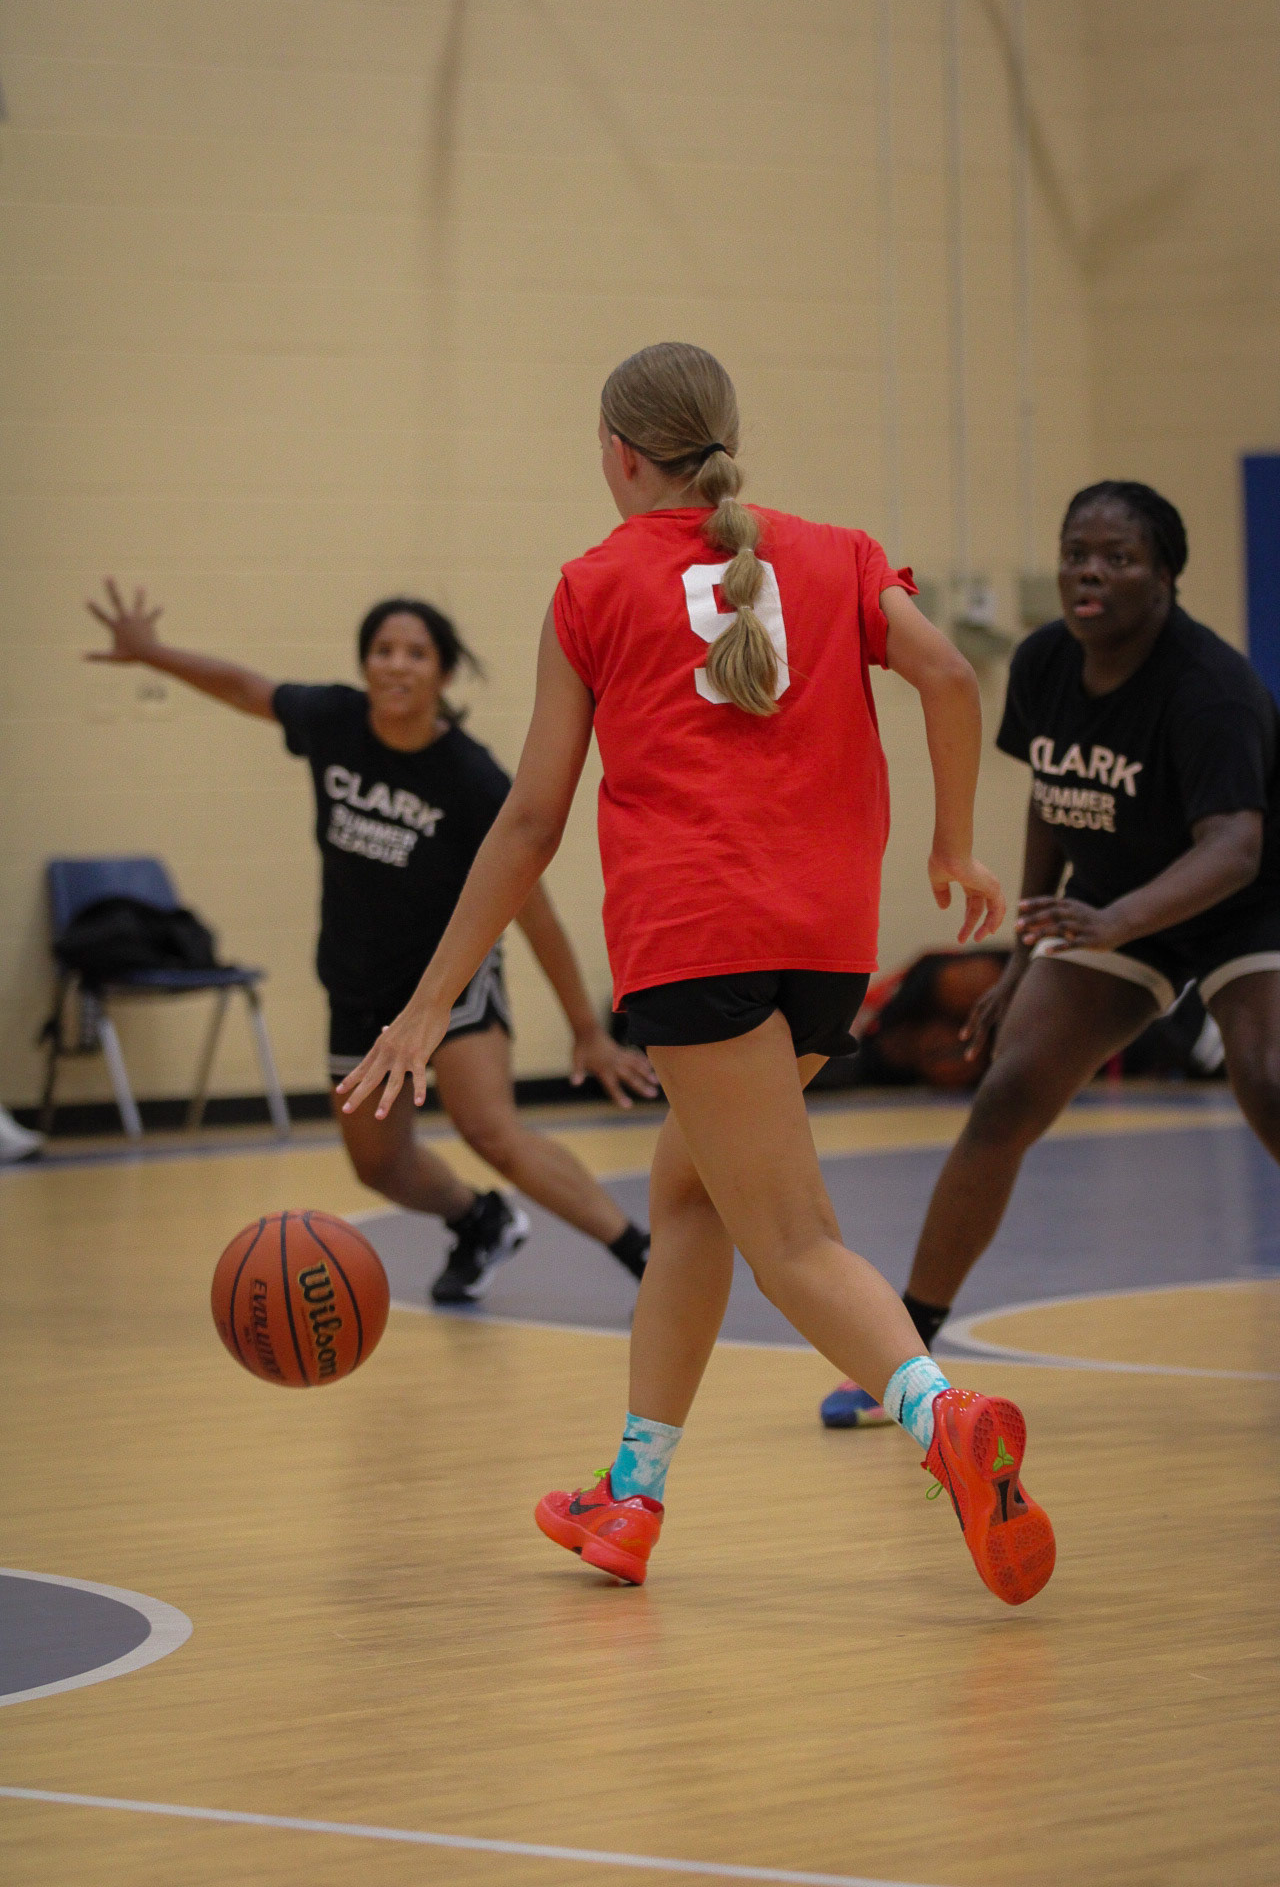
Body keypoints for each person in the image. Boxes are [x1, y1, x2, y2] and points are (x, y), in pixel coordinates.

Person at [339, 342, 1056, 1607]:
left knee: (790, 1238)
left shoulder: (591, 584)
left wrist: (429, 1003)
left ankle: (939, 1419)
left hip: (695, 943)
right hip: (825, 948)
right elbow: (949, 675)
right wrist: (950, 842)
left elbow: (529, 820)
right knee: (689, 1197)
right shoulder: (835, 553)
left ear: (619, 454)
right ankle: (630, 1497)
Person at [820, 478, 1280, 1426]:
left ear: (1166, 575)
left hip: (1245, 901)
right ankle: (908, 1357)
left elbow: (1237, 846)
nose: (1089, 573)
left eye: (1118, 558)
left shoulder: (1212, 688)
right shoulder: (1043, 663)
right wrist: (1030, 947)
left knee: (1268, 1078)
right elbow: (1053, 795)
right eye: (1077, 554)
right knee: (1010, 1090)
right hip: (1112, 899)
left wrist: (1117, 921)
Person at [83, 584, 657, 1301]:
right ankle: (478, 1220)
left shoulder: (471, 779)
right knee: (379, 1167)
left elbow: (533, 912)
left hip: (446, 982)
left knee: (490, 1129)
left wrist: (586, 1030)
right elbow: (243, 687)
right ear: (364, 665)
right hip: (357, 984)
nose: (396, 665)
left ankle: (640, 1252)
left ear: (443, 674)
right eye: (383, 651)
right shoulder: (333, 721)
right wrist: (151, 653)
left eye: (416, 653)